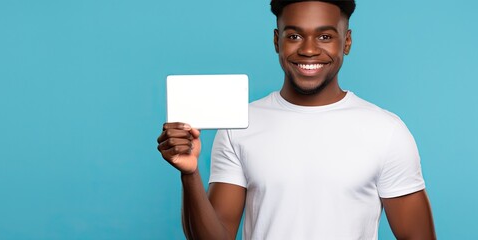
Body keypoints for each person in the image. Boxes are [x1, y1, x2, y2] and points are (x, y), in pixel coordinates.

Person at [157, 0, 436, 239]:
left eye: (325, 36)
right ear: (277, 40)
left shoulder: (386, 130)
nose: (309, 50)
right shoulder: (239, 127)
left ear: (347, 41)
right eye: (294, 36)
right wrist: (190, 174)